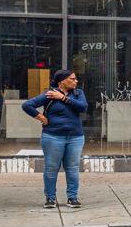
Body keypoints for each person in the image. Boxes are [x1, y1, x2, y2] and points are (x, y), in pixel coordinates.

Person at [22, 69, 88, 210]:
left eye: (76, 79)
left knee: (72, 168)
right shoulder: (50, 94)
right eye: (72, 79)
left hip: (75, 137)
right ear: (62, 81)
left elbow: (83, 107)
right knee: (52, 168)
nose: (76, 81)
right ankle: (50, 198)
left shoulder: (78, 93)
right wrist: (42, 118)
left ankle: (72, 198)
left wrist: (63, 98)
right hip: (53, 136)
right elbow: (27, 105)